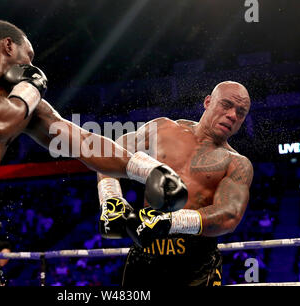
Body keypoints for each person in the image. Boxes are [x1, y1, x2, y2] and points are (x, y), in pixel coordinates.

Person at [0, 20, 185, 286]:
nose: (32, 65)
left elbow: (81, 140)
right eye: (30, 56)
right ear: (8, 46)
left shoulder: (20, 104)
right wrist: (30, 88)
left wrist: (147, 169)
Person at [97, 81, 254, 286]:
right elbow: (108, 154)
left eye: (241, 112)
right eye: (226, 105)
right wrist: (111, 199)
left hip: (195, 266)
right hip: (145, 256)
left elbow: (229, 215)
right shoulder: (163, 129)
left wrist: (170, 221)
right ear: (208, 102)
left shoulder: (236, 163)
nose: (233, 115)